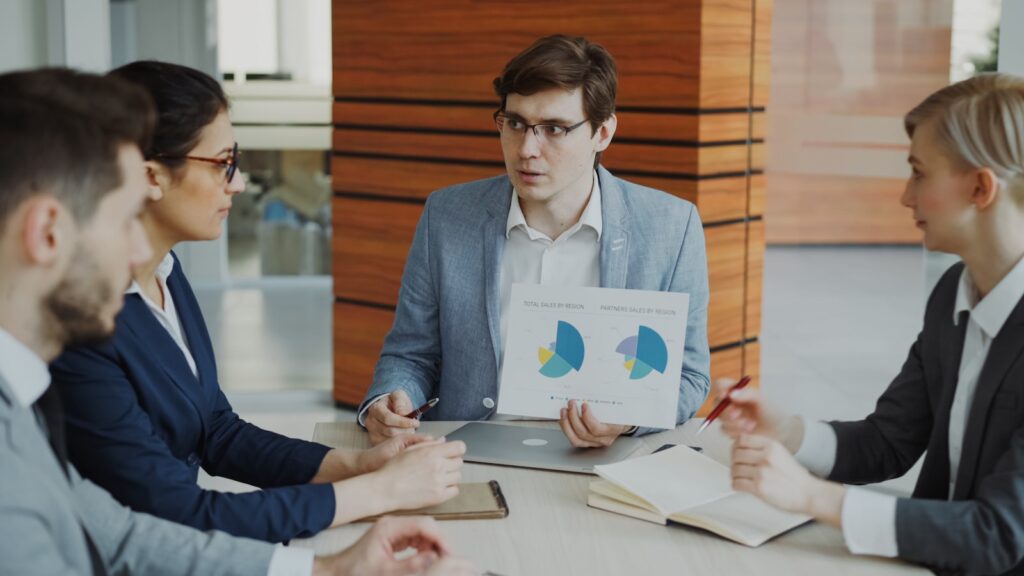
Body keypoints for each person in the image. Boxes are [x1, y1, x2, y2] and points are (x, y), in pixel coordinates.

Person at [0, 67, 475, 576]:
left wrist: (335, 564)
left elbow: (124, 535)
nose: (138, 249)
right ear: (48, 232)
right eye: (122, 219)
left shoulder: (21, 400)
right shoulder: (62, 363)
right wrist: (370, 494)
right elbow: (165, 519)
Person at [719, 73, 1024, 575]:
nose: (906, 197)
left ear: (980, 186)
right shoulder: (953, 292)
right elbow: (890, 442)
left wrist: (816, 499)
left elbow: (996, 533)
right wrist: (788, 432)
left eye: (919, 173)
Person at [360, 35, 711, 448]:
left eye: (554, 129)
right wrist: (389, 401)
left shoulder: (671, 226)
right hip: (468, 451)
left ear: (603, 132)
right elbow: (410, 354)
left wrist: (627, 421)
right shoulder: (448, 216)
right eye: (515, 123)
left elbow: (688, 377)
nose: (527, 149)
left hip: (602, 457)